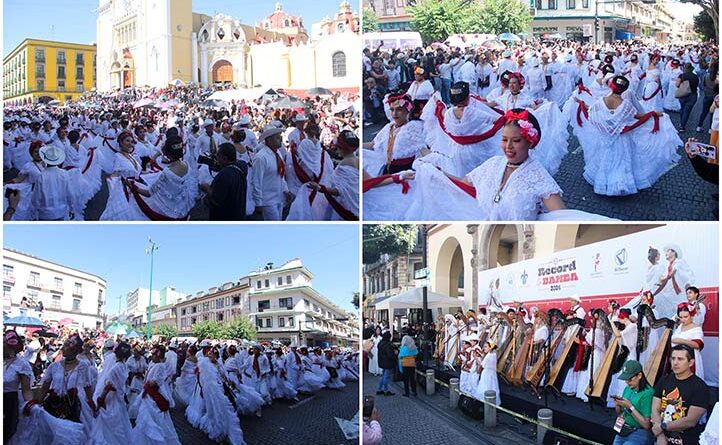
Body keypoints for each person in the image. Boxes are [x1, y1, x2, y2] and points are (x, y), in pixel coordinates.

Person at [651, 345, 709, 445]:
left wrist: (662, 426)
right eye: (673, 358)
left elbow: (690, 421)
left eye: (680, 359)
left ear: (691, 363)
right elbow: (654, 409)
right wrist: (660, 436)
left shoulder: (700, 387)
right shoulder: (664, 380)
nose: (675, 362)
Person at [90, 341, 133, 445]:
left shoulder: (115, 367)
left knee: (106, 423)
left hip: (109, 398)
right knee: (120, 421)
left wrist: (101, 398)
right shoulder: (123, 365)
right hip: (118, 398)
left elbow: (108, 386)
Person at [611, 360, 655, 445]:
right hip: (623, 429)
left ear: (639, 375)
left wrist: (630, 407)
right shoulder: (628, 388)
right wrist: (618, 405)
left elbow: (646, 425)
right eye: (625, 379)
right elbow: (620, 414)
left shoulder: (648, 393)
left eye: (630, 379)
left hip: (638, 432)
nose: (627, 382)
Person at [252, 125, 290, 220]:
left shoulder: (278, 153)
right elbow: (256, 181)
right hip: (267, 200)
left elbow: (280, 174)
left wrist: (286, 190)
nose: (280, 139)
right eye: (277, 137)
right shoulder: (261, 157)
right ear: (269, 140)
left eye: (280, 136)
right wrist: (258, 203)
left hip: (279, 197)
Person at [202, 142, 248, 220]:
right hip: (239, 213)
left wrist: (206, 188)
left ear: (224, 158)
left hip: (225, 217)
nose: (216, 158)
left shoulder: (224, 175)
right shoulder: (242, 166)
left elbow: (216, 200)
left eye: (218, 156)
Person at [32, 144, 74, 220]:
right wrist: (71, 208)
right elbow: (69, 193)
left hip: (45, 213)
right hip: (61, 211)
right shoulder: (64, 174)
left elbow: (36, 198)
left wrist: (35, 212)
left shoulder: (41, 176)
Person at [671, 303, 705, 381]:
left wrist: (680, 341)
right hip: (678, 359)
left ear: (691, 315)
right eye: (681, 317)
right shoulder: (679, 327)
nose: (683, 319)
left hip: (690, 361)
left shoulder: (696, 328)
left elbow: (698, 345)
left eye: (686, 317)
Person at [473, 340, 501, 405]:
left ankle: (484, 402)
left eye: (486, 347)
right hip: (492, 374)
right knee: (493, 386)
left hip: (487, 374)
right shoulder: (493, 354)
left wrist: (476, 358)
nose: (484, 348)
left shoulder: (489, 356)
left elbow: (482, 364)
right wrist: (481, 354)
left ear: (490, 348)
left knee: (485, 386)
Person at [677, 63, 700, 133]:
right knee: (687, 111)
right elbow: (697, 85)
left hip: (683, 94)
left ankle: (681, 123)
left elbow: (677, 84)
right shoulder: (695, 76)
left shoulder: (682, 75)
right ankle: (682, 125)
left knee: (682, 109)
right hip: (692, 95)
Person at [376, 332, 397, 396]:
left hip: (382, 362)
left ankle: (379, 389)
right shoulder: (387, 345)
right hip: (387, 362)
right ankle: (386, 390)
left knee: (383, 376)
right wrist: (395, 353)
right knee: (386, 376)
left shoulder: (380, 343)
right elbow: (390, 355)